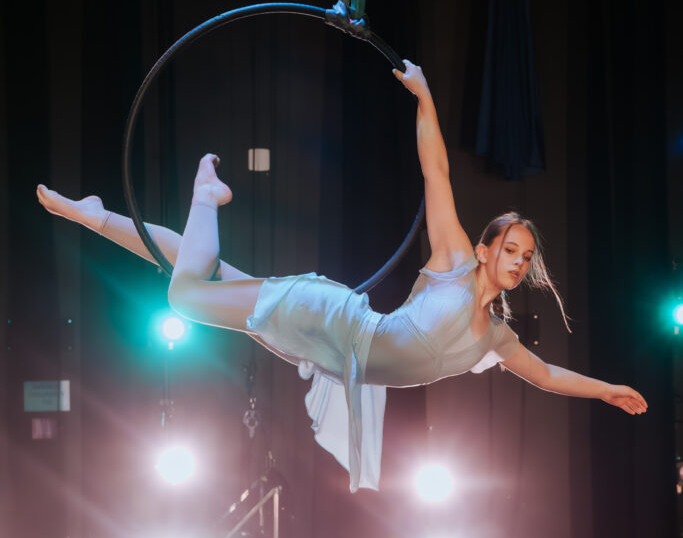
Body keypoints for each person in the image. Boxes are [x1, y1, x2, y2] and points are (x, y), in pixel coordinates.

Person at [37, 62, 647, 493]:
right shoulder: (454, 264)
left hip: (334, 353)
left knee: (210, 275)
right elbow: (436, 173)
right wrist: (426, 99)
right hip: (332, 320)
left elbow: (547, 375)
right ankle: (206, 194)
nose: (516, 261)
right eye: (509, 248)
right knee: (189, 298)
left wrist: (607, 390)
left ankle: (97, 218)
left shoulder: (494, 339)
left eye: (524, 256)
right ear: (486, 249)